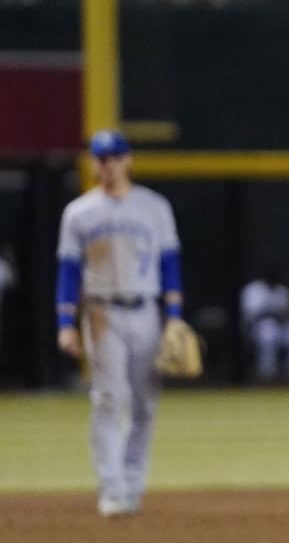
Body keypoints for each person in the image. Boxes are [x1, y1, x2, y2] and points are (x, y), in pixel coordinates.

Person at [55, 130, 185, 517]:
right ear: (94, 163)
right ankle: (111, 485)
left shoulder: (154, 207)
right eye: (100, 158)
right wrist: (65, 322)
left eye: (113, 157)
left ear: (127, 159)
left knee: (145, 404)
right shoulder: (79, 212)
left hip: (146, 309)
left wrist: (174, 317)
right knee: (110, 400)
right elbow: (68, 270)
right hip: (100, 313)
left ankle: (132, 480)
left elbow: (170, 263)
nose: (107, 165)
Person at [241, 269, 289, 380]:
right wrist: (275, 313)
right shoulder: (253, 289)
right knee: (268, 329)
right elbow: (250, 316)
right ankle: (266, 375)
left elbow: (286, 314)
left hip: (280, 328)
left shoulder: (282, 290)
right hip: (256, 331)